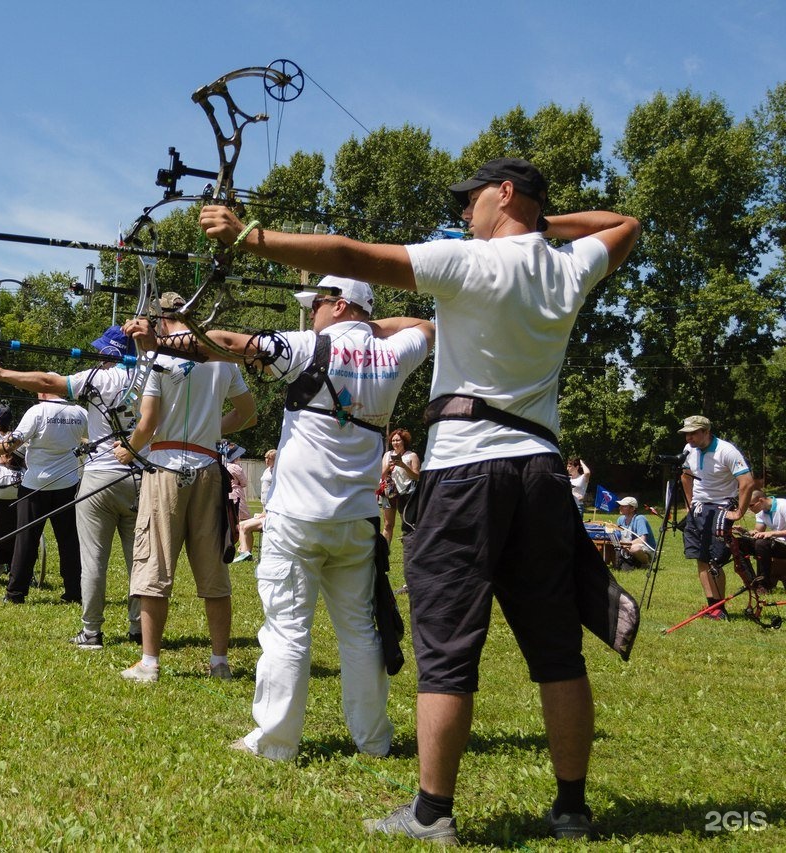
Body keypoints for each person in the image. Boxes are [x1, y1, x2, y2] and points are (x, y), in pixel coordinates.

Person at [201, 156, 640, 843]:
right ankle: (572, 809)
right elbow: (628, 223)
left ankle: (433, 812)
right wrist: (542, 223)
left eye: (473, 200)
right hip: (542, 473)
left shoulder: (469, 262)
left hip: (467, 472)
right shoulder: (568, 265)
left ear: (504, 193)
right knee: (558, 650)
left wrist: (248, 236)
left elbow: (350, 254)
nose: (465, 213)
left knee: (447, 649)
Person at [132, 277, 431, 758]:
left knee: (287, 629)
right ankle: (373, 740)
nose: (310, 313)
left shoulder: (309, 346)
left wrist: (160, 342)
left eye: (316, 304)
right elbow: (426, 325)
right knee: (358, 630)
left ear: (338, 306)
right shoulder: (395, 354)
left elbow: (227, 344)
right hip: (357, 518)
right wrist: (367, 326)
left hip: (297, 518)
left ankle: (276, 742)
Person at [113, 292, 257, 683]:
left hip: (164, 469)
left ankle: (149, 663)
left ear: (161, 320)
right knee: (213, 570)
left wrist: (126, 451)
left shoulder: (154, 355)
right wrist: (212, 431)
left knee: (154, 564)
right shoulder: (221, 355)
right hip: (209, 466)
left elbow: (147, 422)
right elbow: (248, 413)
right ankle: (220, 662)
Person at [0, 325, 143, 648]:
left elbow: (15, 441)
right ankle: (113, 614)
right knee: (90, 549)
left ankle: (25, 596)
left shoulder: (59, 399)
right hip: (88, 483)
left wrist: (2, 375)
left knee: (33, 542)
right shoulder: (89, 406)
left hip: (45, 485)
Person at [0, 392, 88, 604]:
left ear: (43, 392)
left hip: (35, 486)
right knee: (69, 541)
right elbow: (93, 438)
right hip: (68, 484)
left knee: (26, 540)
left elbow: (11, 444)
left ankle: (15, 593)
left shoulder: (37, 411)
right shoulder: (80, 412)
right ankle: (74, 592)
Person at [679, 415, 753, 620]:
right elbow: (685, 475)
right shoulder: (689, 451)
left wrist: (739, 512)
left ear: (706, 432)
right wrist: (689, 503)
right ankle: (713, 606)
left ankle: (719, 608)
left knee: (714, 560)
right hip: (698, 508)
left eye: (693, 433)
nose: (689, 438)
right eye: (687, 434)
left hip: (720, 509)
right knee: (700, 558)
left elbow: (747, 482)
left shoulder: (726, 451)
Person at [232, 449, 276, 562]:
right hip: (266, 510)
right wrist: (263, 511)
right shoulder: (267, 470)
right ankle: (245, 553)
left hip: (274, 514)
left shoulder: (278, 472)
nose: (267, 460)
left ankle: (245, 553)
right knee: (241, 525)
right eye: (266, 458)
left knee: (245, 526)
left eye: (270, 458)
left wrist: (267, 512)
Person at [380, 428, 421, 542]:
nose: (395, 443)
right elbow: (382, 475)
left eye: (398, 440)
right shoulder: (387, 455)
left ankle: (410, 551)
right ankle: (384, 553)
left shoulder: (412, 456)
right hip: (389, 492)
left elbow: (416, 476)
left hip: (406, 493)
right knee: (388, 525)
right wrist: (389, 466)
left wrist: (403, 465)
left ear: (404, 441)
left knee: (408, 524)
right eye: (393, 440)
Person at [747, 489, 786, 591]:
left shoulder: (783, 506)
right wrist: (749, 532)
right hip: (777, 543)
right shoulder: (760, 511)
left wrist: (772, 533)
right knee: (740, 543)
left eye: (751, 505)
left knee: (761, 544)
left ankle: (764, 584)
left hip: (783, 544)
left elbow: (767, 534)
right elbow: (758, 531)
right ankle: (751, 581)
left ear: (761, 500)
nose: (749, 508)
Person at [612, 497, 656, 569]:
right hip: (626, 547)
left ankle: (646, 564)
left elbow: (642, 539)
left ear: (632, 509)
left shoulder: (640, 518)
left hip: (646, 550)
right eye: (620, 506)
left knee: (635, 548)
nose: (620, 508)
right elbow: (618, 536)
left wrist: (626, 545)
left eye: (624, 506)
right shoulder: (620, 519)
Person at [220, 440, 252, 521]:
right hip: (236, 493)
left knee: (229, 518)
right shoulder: (235, 467)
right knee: (242, 519)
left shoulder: (223, 466)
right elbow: (244, 483)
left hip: (225, 493)